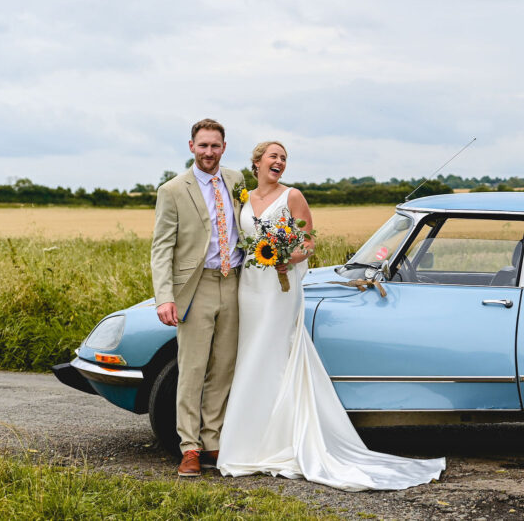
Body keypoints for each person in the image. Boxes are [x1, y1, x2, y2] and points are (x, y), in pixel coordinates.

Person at [217, 141, 445, 490]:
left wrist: (287, 257)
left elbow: (308, 243)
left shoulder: (292, 196)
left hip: (281, 289)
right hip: (250, 288)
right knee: (251, 354)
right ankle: (249, 440)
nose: (279, 161)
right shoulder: (244, 198)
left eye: (284, 158)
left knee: (276, 352)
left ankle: (282, 439)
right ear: (257, 162)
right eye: (273, 156)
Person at [151, 118, 244, 477]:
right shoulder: (173, 190)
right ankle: (189, 447)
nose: (209, 152)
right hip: (196, 287)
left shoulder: (236, 181)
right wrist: (164, 297)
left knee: (223, 368)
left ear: (224, 147)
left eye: (215, 146)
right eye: (203, 145)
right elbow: (161, 249)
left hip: (235, 283)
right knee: (192, 369)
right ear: (191, 147)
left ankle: (212, 441)